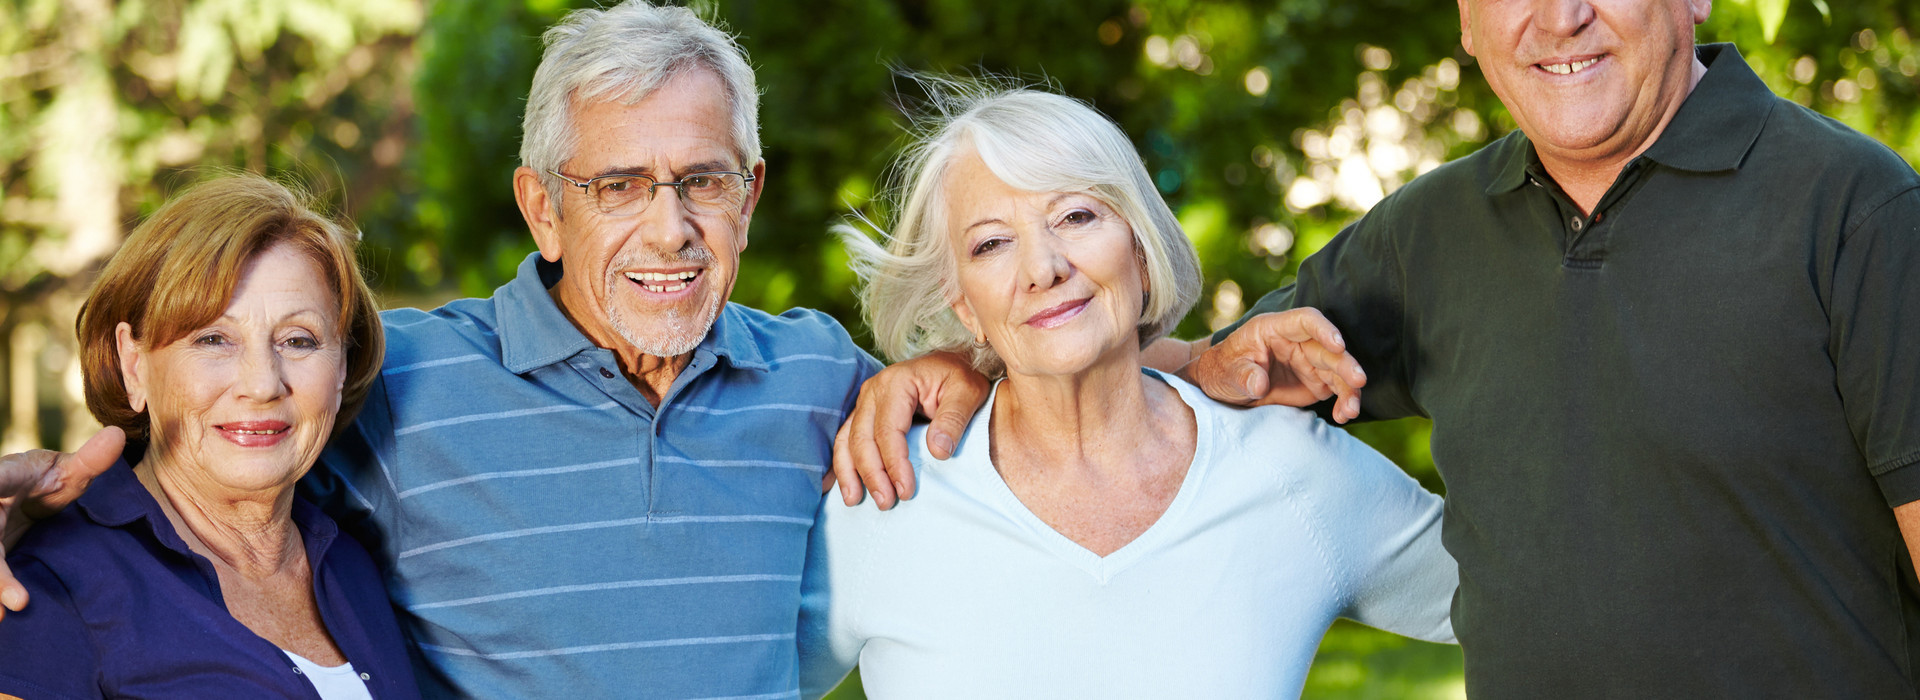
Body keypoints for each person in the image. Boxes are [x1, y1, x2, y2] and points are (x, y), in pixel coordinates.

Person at [841, 1, 1920, 697]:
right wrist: (973, 364)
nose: (1562, 18)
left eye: (1077, 221)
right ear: (1465, 20)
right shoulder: (1434, 234)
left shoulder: (1855, 209)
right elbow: (1185, 352)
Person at [797, 87, 1455, 699]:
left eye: (1076, 216)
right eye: (993, 243)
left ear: (1140, 249)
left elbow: (1534, 592)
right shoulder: (885, 496)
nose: (1043, 268)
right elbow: (718, 669)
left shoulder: (1290, 472)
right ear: (964, 305)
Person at [0, 174, 418, 699]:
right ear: (134, 364)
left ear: (341, 369)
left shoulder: (355, 564)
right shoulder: (53, 581)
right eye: (214, 338)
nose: (263, 384)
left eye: (298, 340)